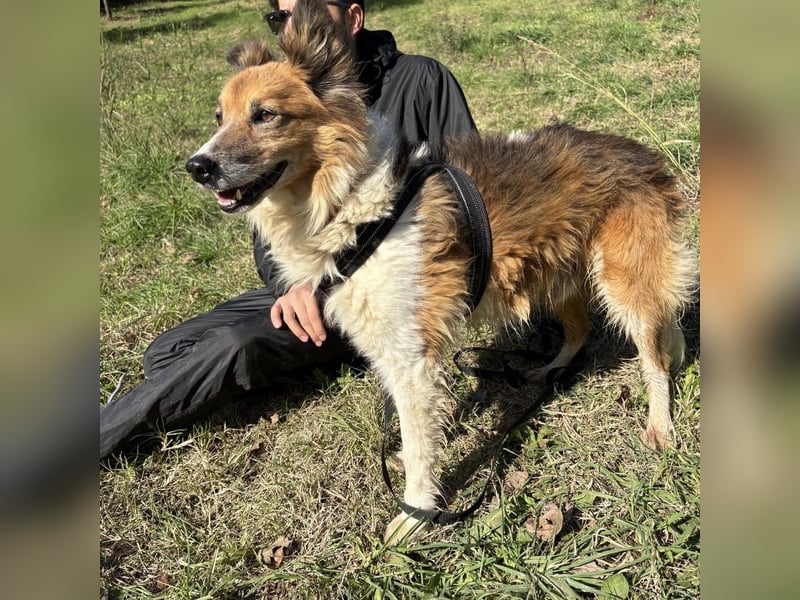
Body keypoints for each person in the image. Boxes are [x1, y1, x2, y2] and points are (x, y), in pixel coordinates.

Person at [100, 0, 476, 459]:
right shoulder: (273, 83)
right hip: (305, 270)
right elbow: (268, 238)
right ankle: (292, 364)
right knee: (167, 350)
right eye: (282, 17)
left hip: (387, 283)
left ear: (353, 18)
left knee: (231, 347)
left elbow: (464, 187)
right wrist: (292, 286)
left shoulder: (420, 78)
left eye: (313, 11)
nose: (295, 26)